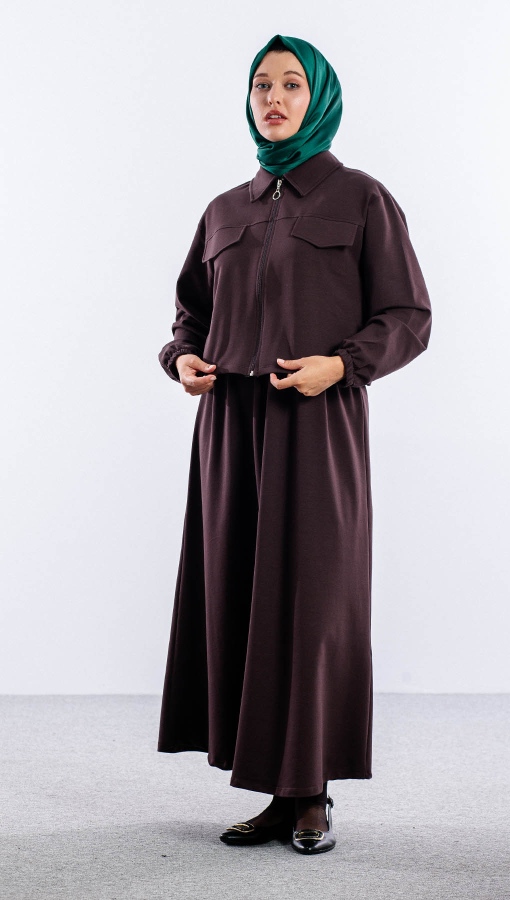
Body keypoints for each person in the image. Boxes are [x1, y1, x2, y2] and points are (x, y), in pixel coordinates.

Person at [157, 33, 432, 855]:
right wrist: (182, 359)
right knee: (241, 596)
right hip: (229, 430)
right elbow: (190, 313)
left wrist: (340, 366)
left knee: (312, 601)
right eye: (261, 86)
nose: (273, 99)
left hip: (316, 424)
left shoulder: (362, 198)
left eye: (291, 85)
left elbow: (408, 316)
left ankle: (311, 792)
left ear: (320, 98)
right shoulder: (225, 210)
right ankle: (274, 791)